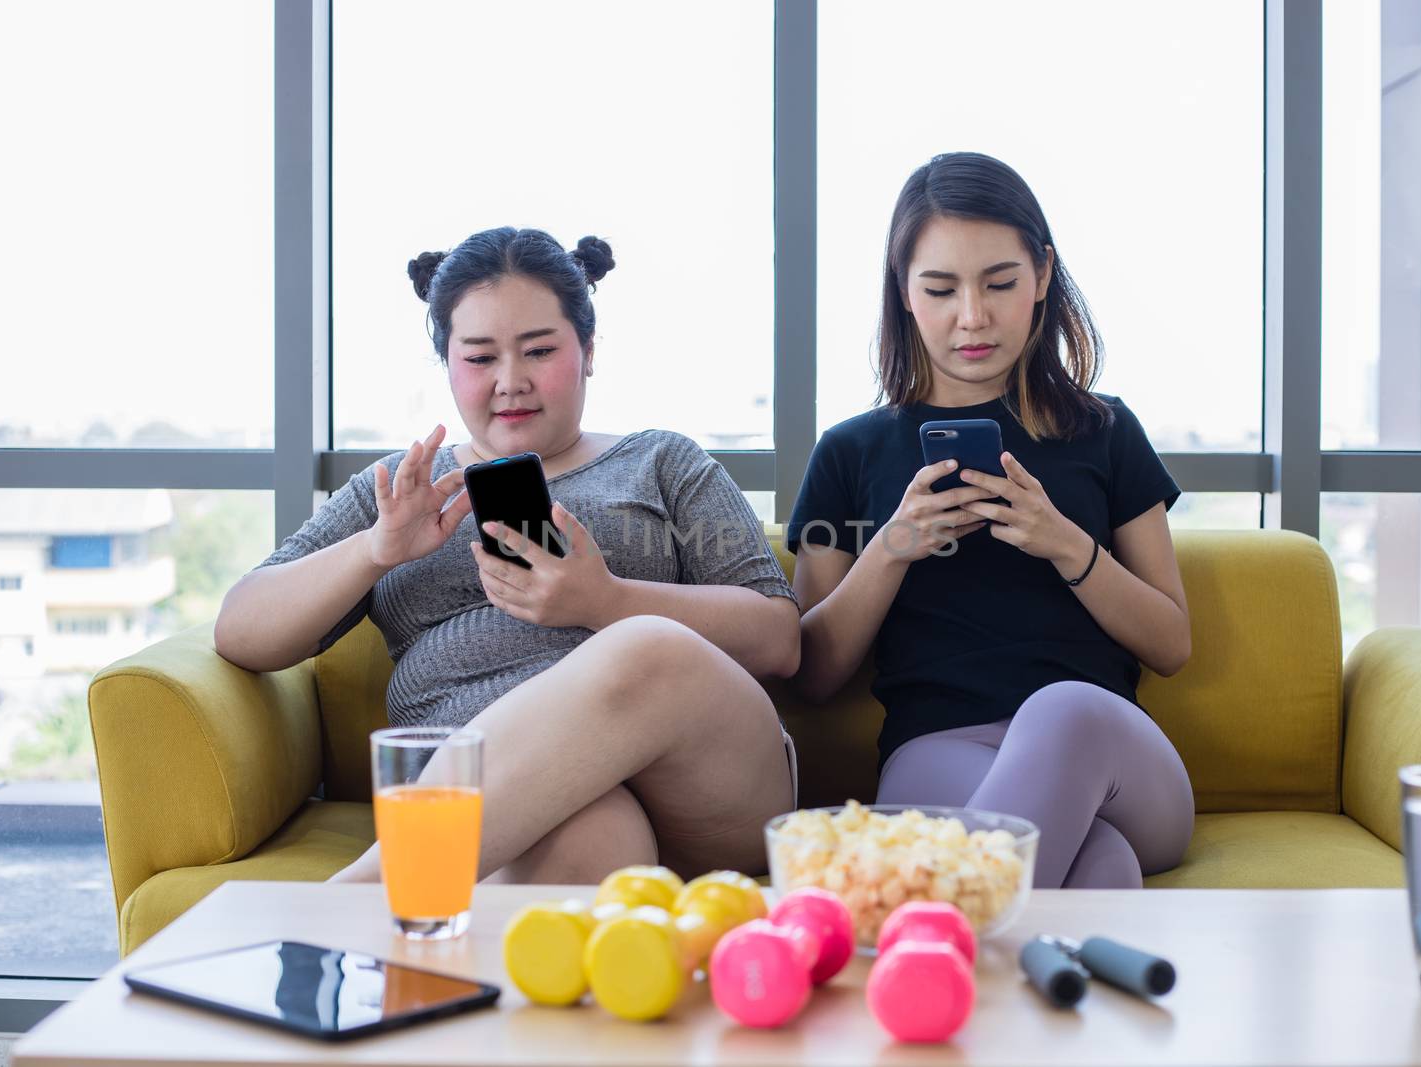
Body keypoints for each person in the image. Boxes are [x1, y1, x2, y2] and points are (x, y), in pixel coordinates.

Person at [214, 227, 799, 884]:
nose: (510, 382)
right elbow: (240, 629)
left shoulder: (664, 461)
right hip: (497, 812)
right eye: (480, 357)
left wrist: (607, 601)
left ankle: (355, 901)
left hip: (705, 786)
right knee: (598, 834)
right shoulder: (403, 489)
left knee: (647, 646)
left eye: (540, 350)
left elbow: (779, 638)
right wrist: (376, 550)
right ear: (448, 364)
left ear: (588, 351)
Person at [788, 153, 1195, 889]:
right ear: (904, 293)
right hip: (935, 752)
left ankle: (922, 932)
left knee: (1065, 711)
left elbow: (1172, 642)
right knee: (1102, 863)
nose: (971, 316)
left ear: (1041, 275)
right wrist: (894, 546)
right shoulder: (848, 453)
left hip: (1116, 760)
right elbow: (813, 673)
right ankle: (1007, 980)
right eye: (940, 288)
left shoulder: (1105, 431)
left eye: (999, 283)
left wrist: (1064, 542)